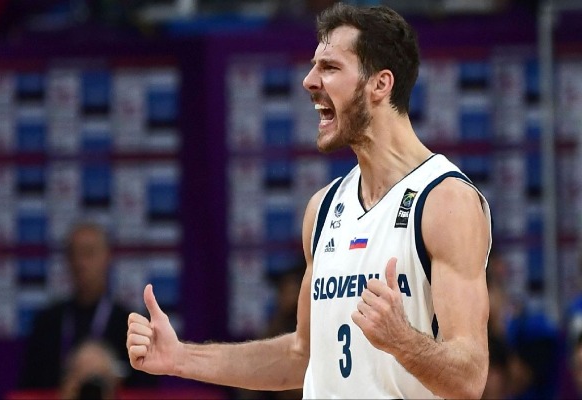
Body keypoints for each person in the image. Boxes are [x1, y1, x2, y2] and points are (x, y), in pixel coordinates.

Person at [127, 3, 492, 399]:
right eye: (314, 66)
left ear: (380, 84)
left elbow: (469, 378)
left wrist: (402, 340)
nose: (309, 80)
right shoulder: (324, 207)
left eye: (329, 67)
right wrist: (180, 358)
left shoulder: (445, 201)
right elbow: (301, 356)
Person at [19, 221, 155, 389]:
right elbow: (30, 387)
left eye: (88, 253)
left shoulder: (130, 324)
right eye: (74, 254)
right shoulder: (47, 323)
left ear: (107, 257)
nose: (80, 263)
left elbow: (146, 390)